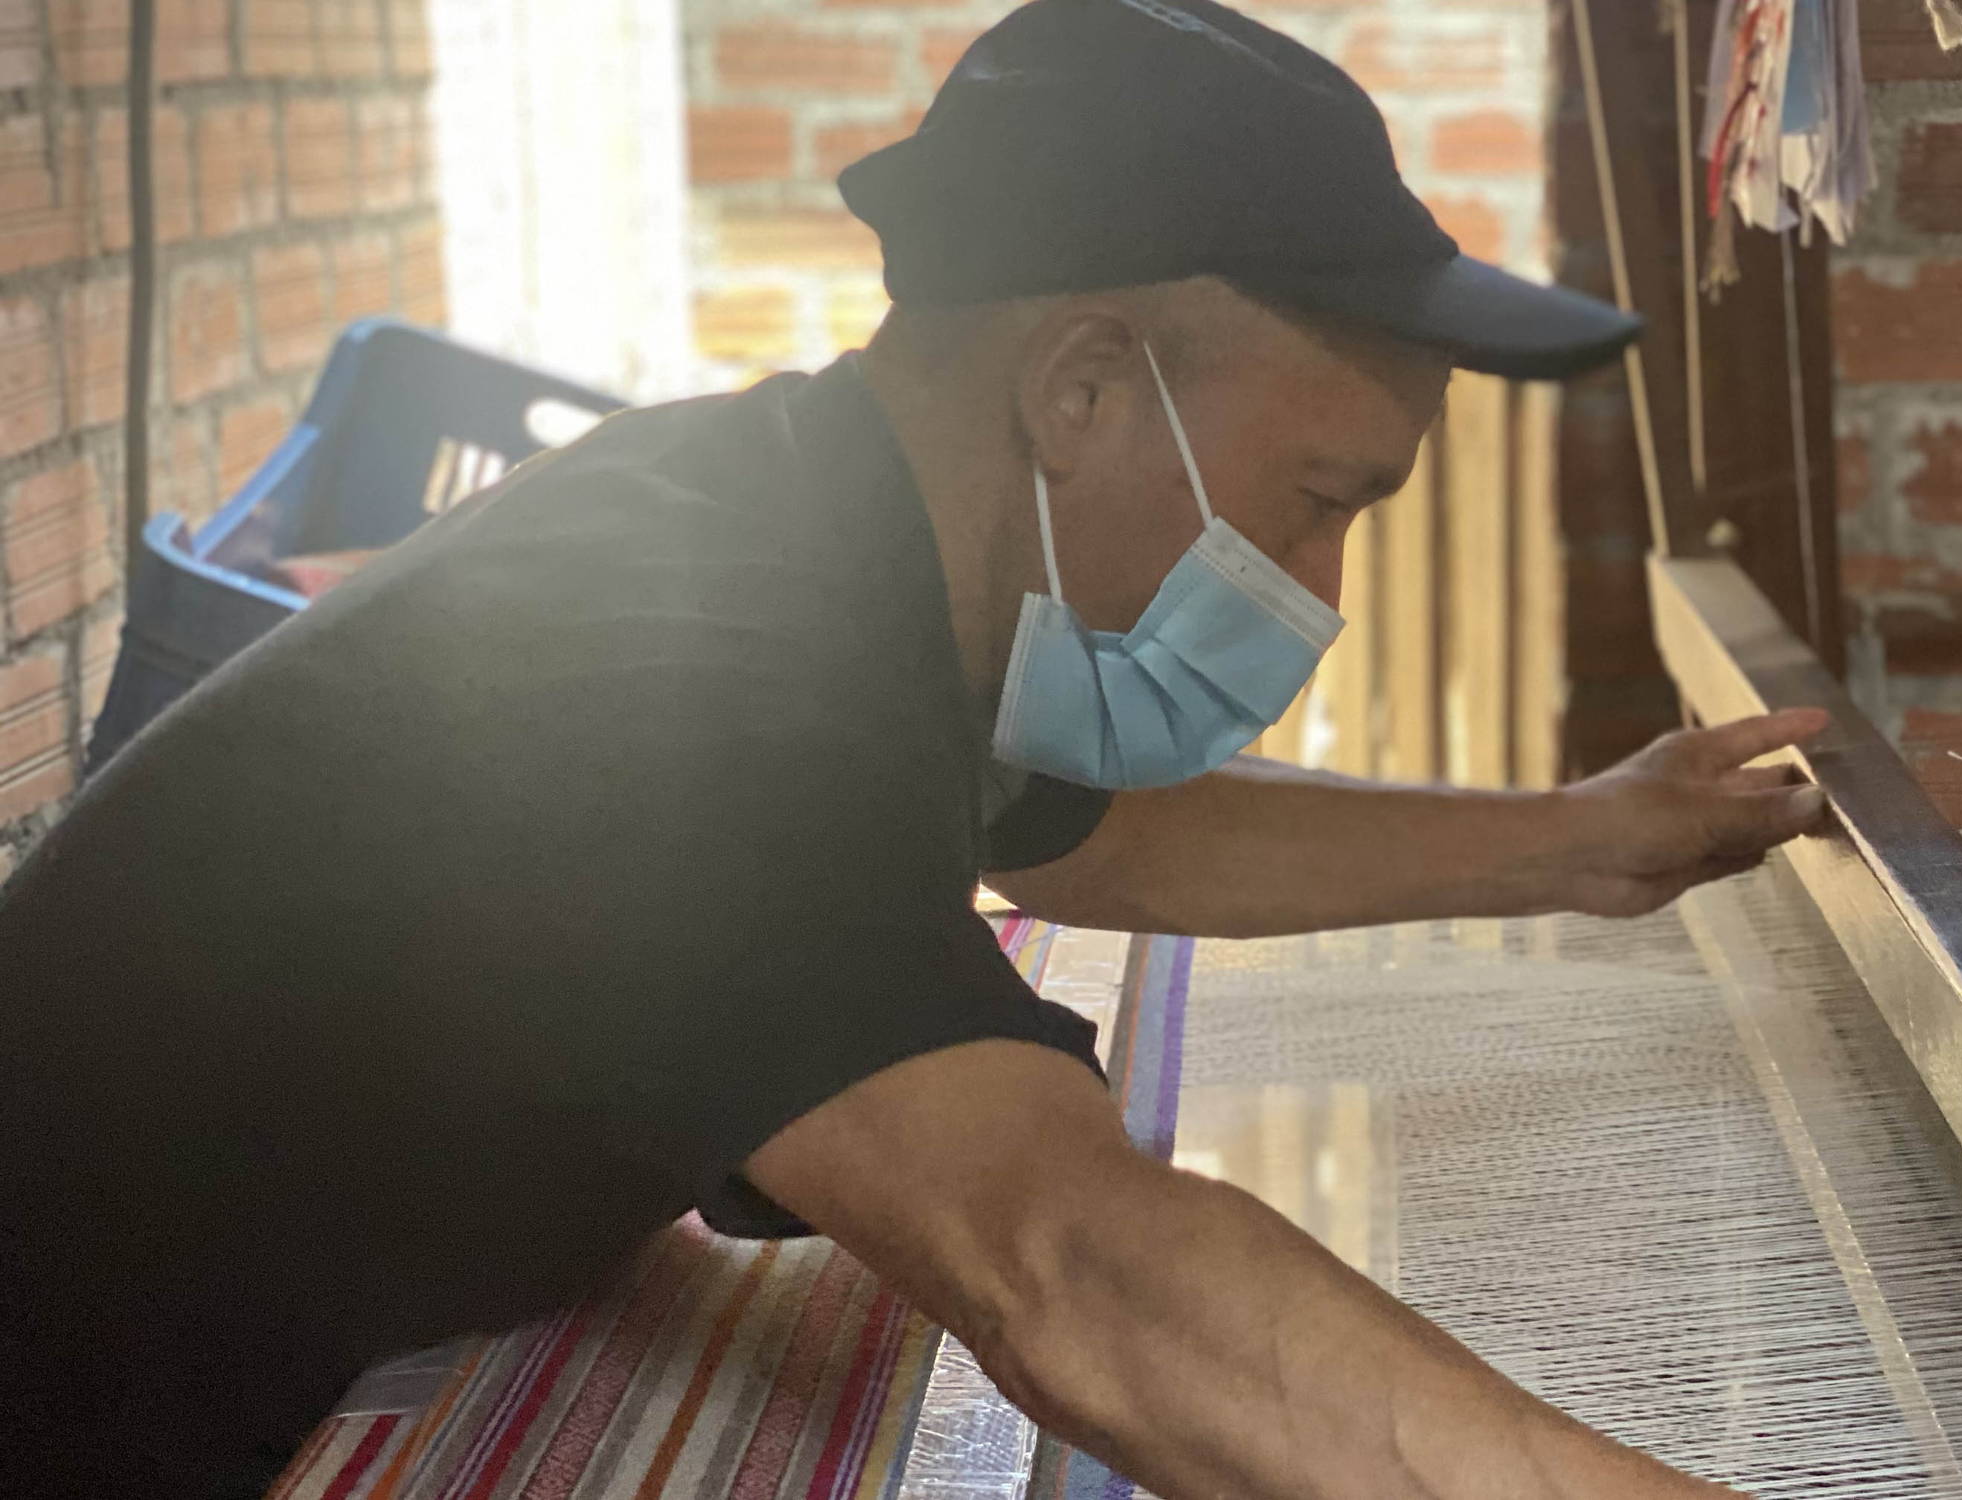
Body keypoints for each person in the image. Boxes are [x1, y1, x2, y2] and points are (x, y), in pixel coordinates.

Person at [0, 0, 1831, 1494]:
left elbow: (1086, 835)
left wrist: (1579, 843)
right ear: (1083, 390)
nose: (1320, 588)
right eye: (1316, 500)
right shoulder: (687, 687)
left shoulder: (803, 529)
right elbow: (1077, 1278)